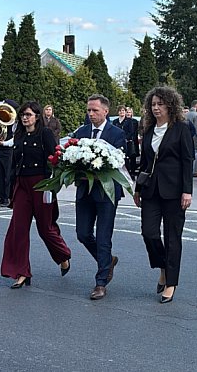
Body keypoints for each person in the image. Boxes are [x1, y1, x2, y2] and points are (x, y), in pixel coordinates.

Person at [0, 101, 71, 288]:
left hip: (41, 184)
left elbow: (55, 158)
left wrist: (52, 185)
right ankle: (22, 272)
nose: (25, 118)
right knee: (18, 229)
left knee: (45, 228)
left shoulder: (45, 134)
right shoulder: (19, 134)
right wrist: (10, 189)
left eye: (28, 114)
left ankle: (63, 256)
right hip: (22, 184)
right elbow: (14, 163)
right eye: (23, 115)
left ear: (37, 117)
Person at [132, 86, 193, 304]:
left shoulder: (181, 129)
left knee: (172, 237)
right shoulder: (149, 129)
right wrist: (138, 189)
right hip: (151, 190)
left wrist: (187, 191)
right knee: (149, 233)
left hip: (175, 191)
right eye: (153, 104)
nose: (156, 108)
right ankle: (163, 267)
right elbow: (145, 162)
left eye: (160, 104)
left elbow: (187, 161)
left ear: (170, 105)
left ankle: (171, 283)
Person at [73, 94, 126, 300]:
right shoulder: (81, 132)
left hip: (106, 192)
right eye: (88, 110)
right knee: (82, 233)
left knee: (103, 237)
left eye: (95, 110)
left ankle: (101, 282)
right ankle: (107, 261)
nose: (91, 114)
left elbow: (120, 161)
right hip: (85, 191)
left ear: (105, 111)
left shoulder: (117, 133)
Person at [0, 99, 18, 207]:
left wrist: (2, 143)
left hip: (8, 151)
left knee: (7, 176)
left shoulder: (15, 124)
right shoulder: (0, 122)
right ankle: (2, 197)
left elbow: (15, 139)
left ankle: (8, 198)